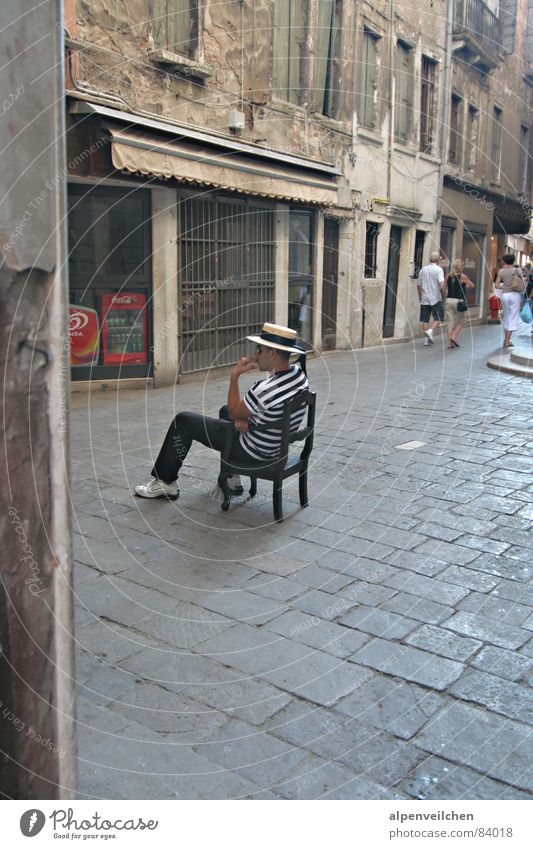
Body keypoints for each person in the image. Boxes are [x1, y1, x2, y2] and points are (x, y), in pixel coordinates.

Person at [134, 323, 309, 500]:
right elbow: (238, 412)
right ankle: (232, 478)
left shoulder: (265, 389)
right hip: (275, 446)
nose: (256, 354)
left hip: (254, 452)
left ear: (273, 354)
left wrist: (235, 375)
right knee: (225, 411)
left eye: (260, 349)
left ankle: (165, 482)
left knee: (184, 421)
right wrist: (239, 416)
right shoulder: (298, 374)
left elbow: (235, 412)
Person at [495, 253, 526, 348]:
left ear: (505, 261)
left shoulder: (501, 271)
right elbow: (523, 285)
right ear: (513, 261)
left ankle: (506, 339)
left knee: (507, 316)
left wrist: (505, 286)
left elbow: (496, 285)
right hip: (515, 295)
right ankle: (507, 340)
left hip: (504, 295)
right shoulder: (518, 270)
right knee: (513, 317)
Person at [444, 258, 475, 349]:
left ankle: (450, 344)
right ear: (460, 267)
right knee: (462, 321)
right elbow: (472, 285)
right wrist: (466, 285)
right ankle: (453, 336)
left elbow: (444, 288)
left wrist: (446, 295)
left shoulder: (447, 275)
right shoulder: (462, 276)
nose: (463, 268)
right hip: (459, 301)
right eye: (462, 266)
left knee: (450, 322)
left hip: (449, 300)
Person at [417, 251, 445, 346]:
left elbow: (418, 285)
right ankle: (430, 331)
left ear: (430, 260)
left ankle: (426, 340)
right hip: (436, 297)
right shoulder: (439, 269)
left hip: (424, 297)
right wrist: (444, 293)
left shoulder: (422, 270)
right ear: (438, 260)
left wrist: (420, 295)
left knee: (425, 319)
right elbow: (441, 284)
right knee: (439, 317)